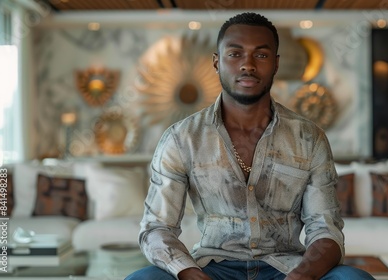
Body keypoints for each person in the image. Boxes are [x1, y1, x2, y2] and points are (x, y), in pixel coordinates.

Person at [126, 12, 374, 280]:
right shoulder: (181, 138)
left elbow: (326, 230)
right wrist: (189, 273)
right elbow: (156, 228)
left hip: (287, 268)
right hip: (212, 267)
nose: (248, 65)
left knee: (354, 279)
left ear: (276, 64)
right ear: (217, 62)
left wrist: (302, 276)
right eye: (235, 54)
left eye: (261, 55)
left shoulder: (309, 138)